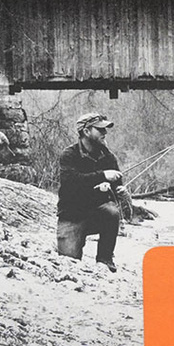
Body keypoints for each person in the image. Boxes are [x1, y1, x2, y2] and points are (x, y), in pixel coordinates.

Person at [56, 112, 125, 271]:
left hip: (97, 215)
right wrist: (102, 176)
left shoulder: (108, 156)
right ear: (86, 131)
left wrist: (119, 190)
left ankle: (105, 259)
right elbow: (70, 182)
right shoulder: (69, 155)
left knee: (112, 212)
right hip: (71, 216)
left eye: (105, 129)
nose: (104, 133)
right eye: (100, 130)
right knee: (68, 264)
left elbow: (117, 184)